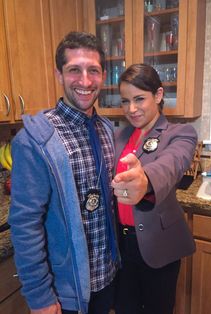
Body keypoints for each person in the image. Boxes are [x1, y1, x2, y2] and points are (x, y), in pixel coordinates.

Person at [8, 31, 120, 314]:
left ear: (103, 75)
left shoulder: (106, 130)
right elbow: (25, 225)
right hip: (65, 293)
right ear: (59, 74)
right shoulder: (35, 139)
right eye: (74, 70)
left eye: (93, 70)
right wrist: (39, 297)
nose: (85, 81)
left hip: (108, 279)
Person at [111, 63, 197, 314]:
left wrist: (145, 179)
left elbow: (171, 165)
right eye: (125, 101)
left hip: (158, 246)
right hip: (122, 246)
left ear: (158, 95)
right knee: (125, 309)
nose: (132, 109)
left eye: (139, 99)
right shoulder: (119, 136)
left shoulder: (180, 133)